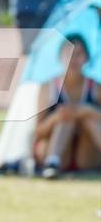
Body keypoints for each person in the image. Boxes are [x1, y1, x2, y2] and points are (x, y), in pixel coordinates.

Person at [34, 34, 101, 179]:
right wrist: (56, 118)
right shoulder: (48, 87)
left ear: (87, 58)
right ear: (60, 57)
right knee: (66, 118)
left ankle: (53, 163)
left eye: (78, 54)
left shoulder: (96, 88)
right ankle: (53, 163)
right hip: (55, 149)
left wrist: (89, 112)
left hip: (85, 155)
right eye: (69, 53)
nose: (73, 59)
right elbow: (38, 132)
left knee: (87, 116)